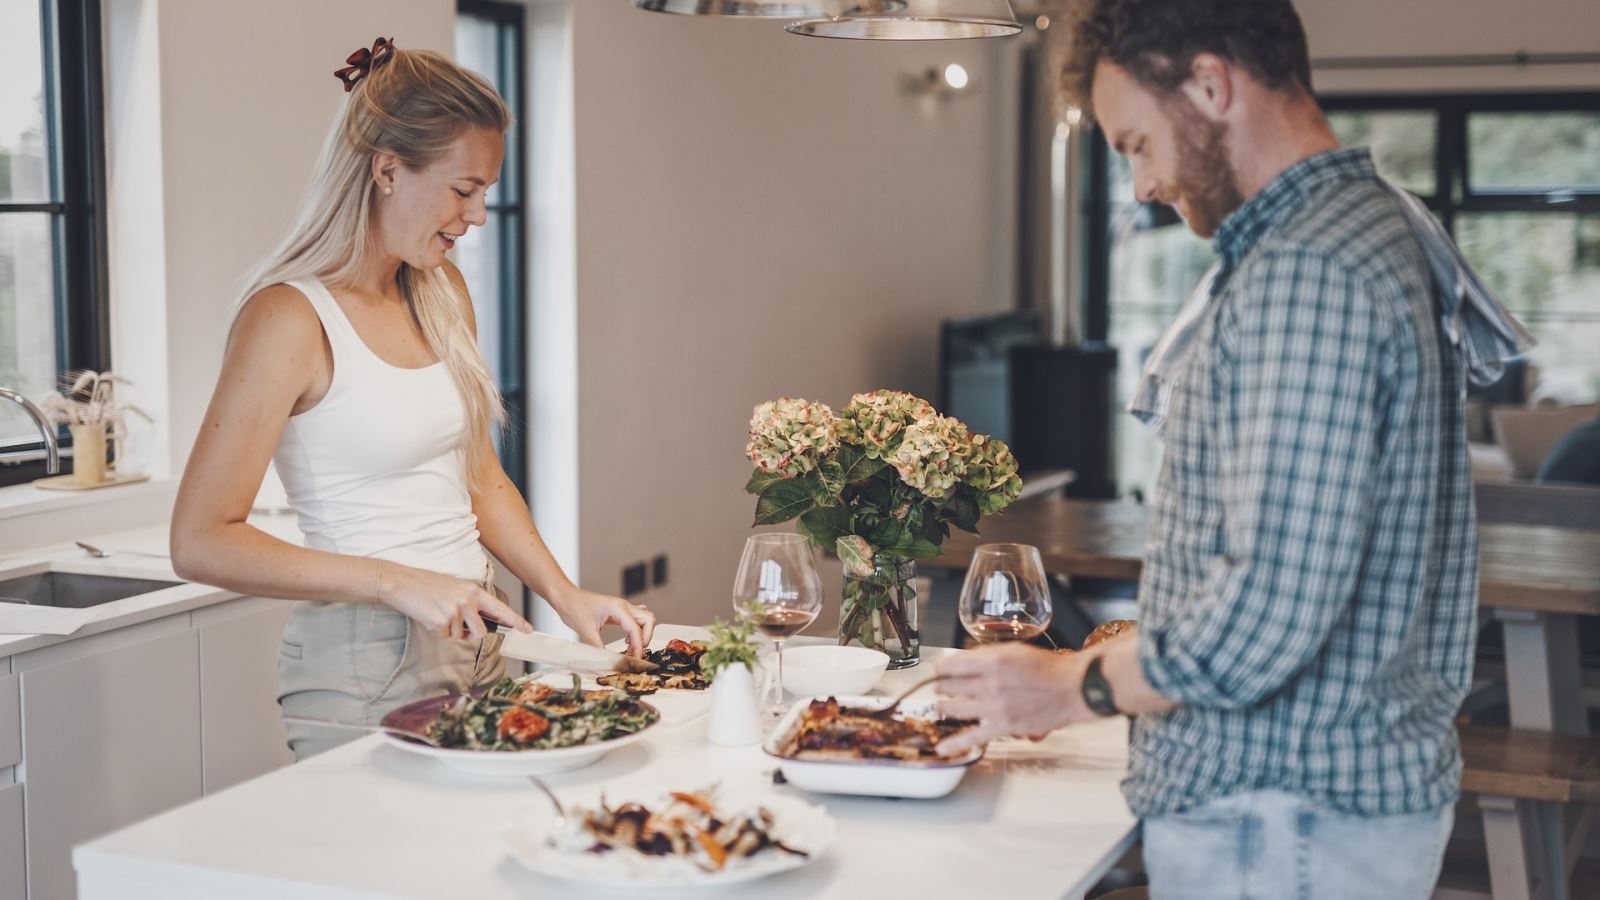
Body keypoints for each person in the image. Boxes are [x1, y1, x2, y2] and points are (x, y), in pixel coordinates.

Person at [934, 2, 1529, 896]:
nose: (1137, 185)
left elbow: (1267, 617)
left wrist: (1070, 685)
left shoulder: (1305, 268)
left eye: (1136, 144)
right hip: (1320, 810)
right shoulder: (1370, 227)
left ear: (1211, 85)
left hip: (1281, 812)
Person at [170, 39, 654, 760]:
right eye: (464, 190)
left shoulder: (440, 291)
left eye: (486, 190)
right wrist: (400, 583)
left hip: (482, 636)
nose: (480, 214)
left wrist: (563, 593)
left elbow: (480, 479)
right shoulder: (288, 319)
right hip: (365, 662)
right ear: (387, 170)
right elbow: (200, 539)